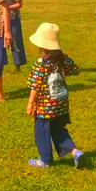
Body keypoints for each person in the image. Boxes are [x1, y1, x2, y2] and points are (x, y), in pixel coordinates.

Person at [25, 23, 88, 169]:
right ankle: (76, 152)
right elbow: (75, 70)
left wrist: (30, 103)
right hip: (61, 103)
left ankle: (45, 160)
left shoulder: (41, 64)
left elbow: (35, 85)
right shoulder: (63, 59)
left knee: (41, 130)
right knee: (57, 129)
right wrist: (63, 57)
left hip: (45, 106)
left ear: (41, 46)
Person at [0, 0, 26, 72]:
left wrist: (7, 8)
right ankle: (0, 64)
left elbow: (19, 4)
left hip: (12, 16)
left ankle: (18, 65)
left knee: (15, 40)